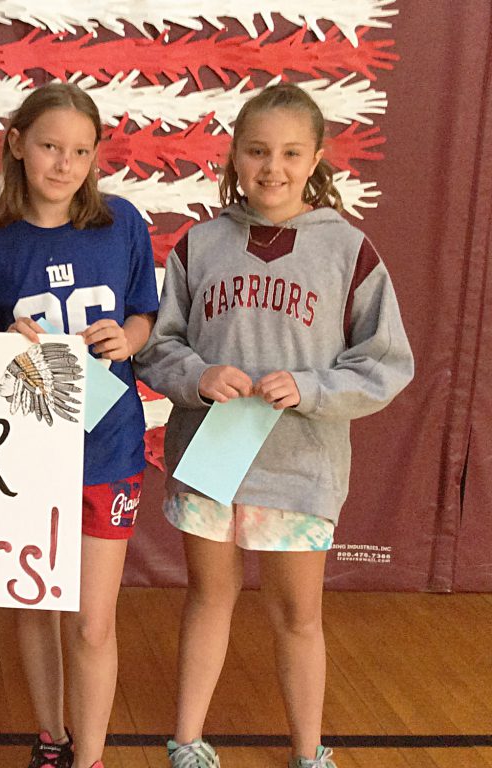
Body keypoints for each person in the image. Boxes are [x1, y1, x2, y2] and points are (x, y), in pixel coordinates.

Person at [132, 83, 414, 768]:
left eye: (290, 153)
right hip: (212, 458)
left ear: (317, 157)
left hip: (299, 462)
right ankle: (188, 740)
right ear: (234, 154)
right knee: (208, 597)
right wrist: (196, 375)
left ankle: (307, 751)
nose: (272, 168)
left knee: (298, 616)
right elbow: (159, 344)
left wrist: (313, 387)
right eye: (257, 151)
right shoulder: (200, 245)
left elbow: (385, 363)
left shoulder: (349, 250)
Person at [0, 83, 159, 768]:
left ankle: (91, 756)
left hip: (108, 446)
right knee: (35, 607)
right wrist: (3, 341)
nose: (63, 163)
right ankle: (51, 736)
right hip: (29, 452)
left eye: (80, 150)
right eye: (49, 146)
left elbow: (144, 313)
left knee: (94, 621)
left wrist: (129, 339)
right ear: (17, 144)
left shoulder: (124, 222)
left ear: (96, 156)